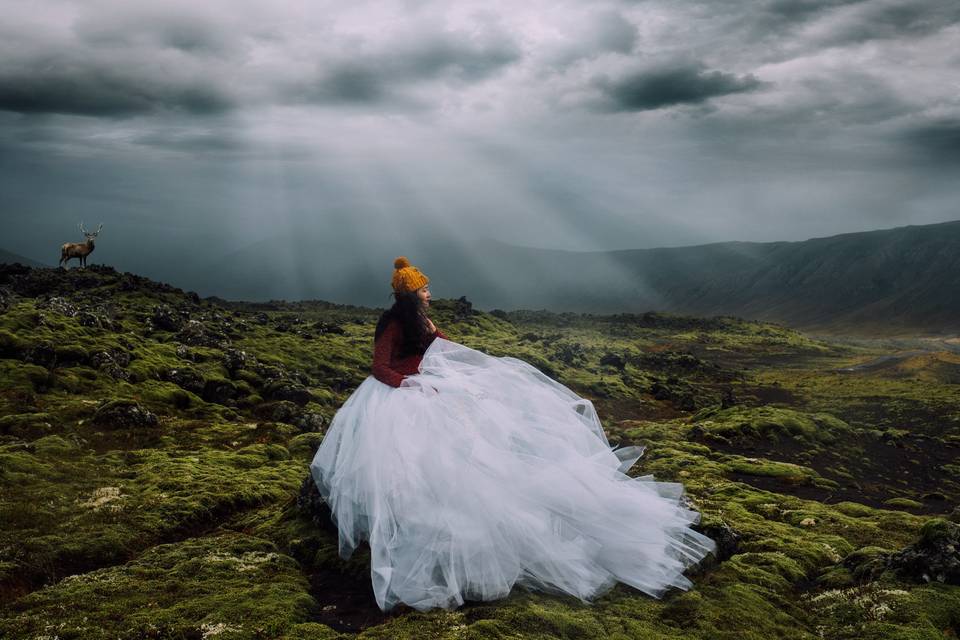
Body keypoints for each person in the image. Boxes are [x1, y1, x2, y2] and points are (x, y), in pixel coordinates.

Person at [309, 256, 716, 613]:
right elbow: (380, 367)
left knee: (478, 446)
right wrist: (410, 385)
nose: (431, 293)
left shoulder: (420, 319)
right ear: (411, 292)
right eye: (425, 288)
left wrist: (453, 352)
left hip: (429, 384)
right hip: (400, 395)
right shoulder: (392, 322)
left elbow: (443, 349)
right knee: (420, 465)